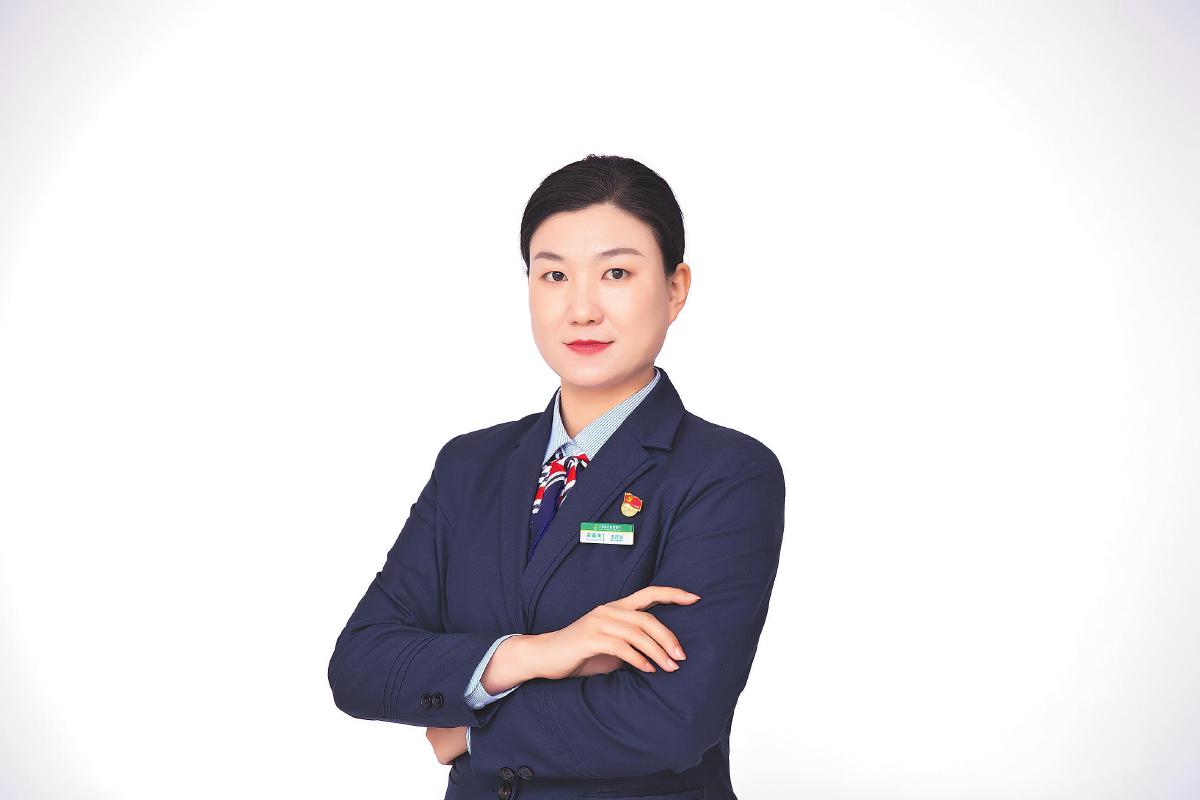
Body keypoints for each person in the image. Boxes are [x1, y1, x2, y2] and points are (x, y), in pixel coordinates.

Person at [327, 154, 787, 800]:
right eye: (554, 275)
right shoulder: (469, 465)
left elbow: (673, 719)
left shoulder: (725, 473)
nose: (581, 309)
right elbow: (359, 665)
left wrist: (469, 732)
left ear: (675, 288)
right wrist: (536, 654)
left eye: (617, 273)